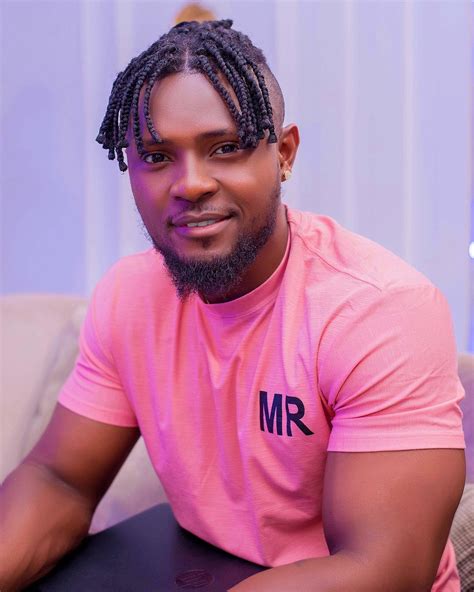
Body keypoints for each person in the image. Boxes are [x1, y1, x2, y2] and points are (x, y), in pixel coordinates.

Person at [0, 18, 466, 592]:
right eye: (156, 156)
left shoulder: (378, 311)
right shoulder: (127, 297)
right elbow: (59, 479)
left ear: (284, 153)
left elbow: (383, 569)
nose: (190, 183)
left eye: (224, 148)